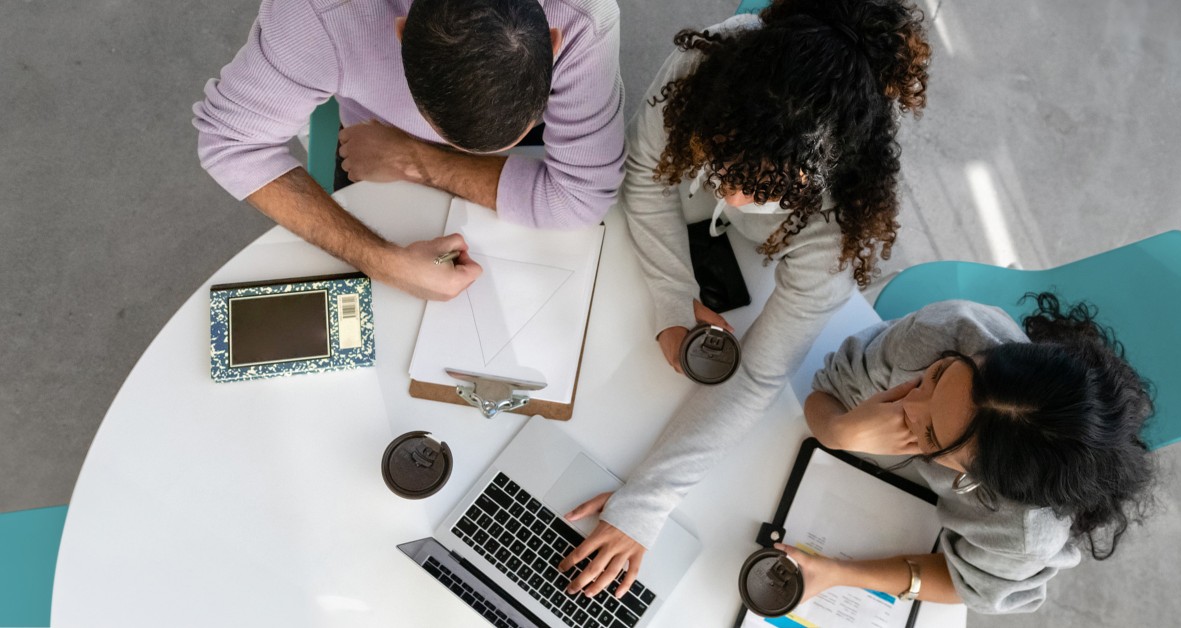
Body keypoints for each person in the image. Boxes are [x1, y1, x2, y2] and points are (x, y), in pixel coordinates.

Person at [556, 0, 931, 600]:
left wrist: (646, 503)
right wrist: (674, 301)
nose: (728, 187)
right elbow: (649, 173)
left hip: (768, 260)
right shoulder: (706, 65)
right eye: (719, 156)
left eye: (761, 187)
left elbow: (758, 373)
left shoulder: (836, 228)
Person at [193, 0, 625, 300]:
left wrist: (416, 160)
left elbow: (582, 196)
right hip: (372, 133)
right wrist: (384, 263)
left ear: (552, 44)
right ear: (402, 33)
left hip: (388, 147)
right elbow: (230, 143)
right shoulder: (320, 13)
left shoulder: (584, 18)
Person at [781, 294, 1156, 612]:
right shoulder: (948, 332)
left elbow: (968, 585)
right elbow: (830, 384)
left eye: (928, 434)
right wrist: (837, 430)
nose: (907, 405)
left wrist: (839, 574)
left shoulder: (1024, 536)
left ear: (977, 483)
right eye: (938, 375)